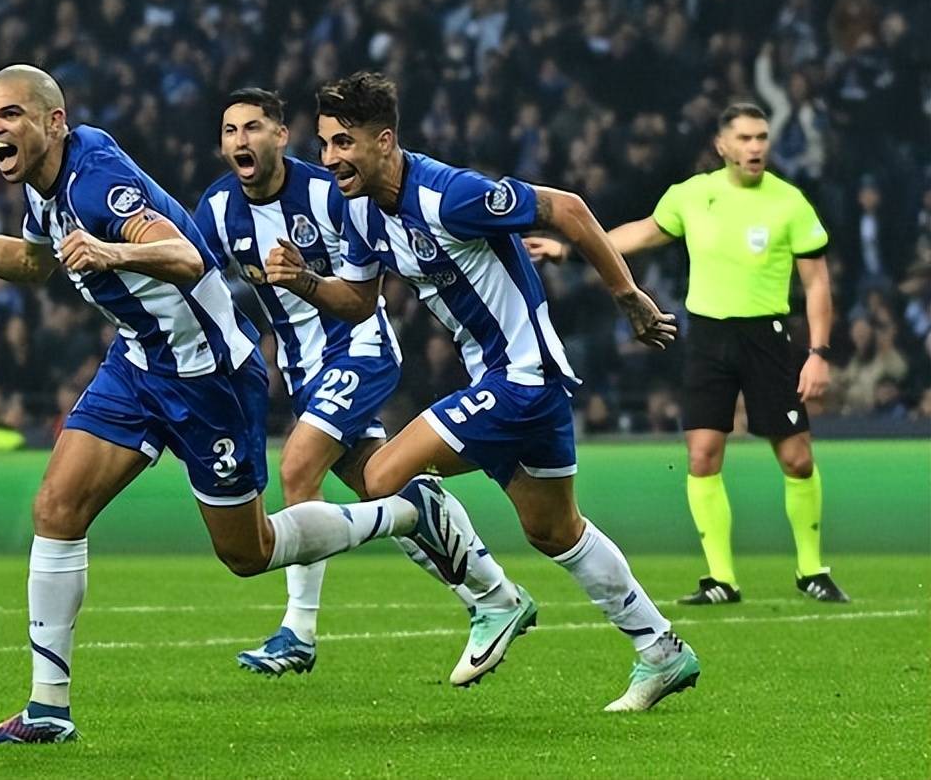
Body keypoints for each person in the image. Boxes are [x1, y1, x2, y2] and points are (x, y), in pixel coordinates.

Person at [0, 65, 475, 745]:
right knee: (57, 509)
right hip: (138, 363)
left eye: (9, 115)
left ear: (54, 121)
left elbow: (186, 257)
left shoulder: (97, 180)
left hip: (208, 376)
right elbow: (34, 263)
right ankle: (47, 708)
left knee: (248, 552)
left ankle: (405, 512)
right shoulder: (46, 188)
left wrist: (109, 251)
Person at [265, 71, 698, 712]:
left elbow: (569, 210)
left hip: (521, 378)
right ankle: (661, 650)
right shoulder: (358, 210)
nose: (329, 159)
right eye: (325, 144)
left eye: (343, 143)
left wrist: (628, 294)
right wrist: (304, 281)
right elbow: (357, 302)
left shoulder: (451, 195)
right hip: (508, 383)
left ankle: (492, 599)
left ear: (384, 140)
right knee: (554, 531)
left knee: (382, 476)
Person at [195, 88, 530, 684]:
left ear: (280, 136)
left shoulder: (329, 193)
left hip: (358, 347)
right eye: (229, 131)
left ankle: (298, 631)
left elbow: (372, 272)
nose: (240, 140)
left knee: (298, 467)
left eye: (253, 127)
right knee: (385, 487)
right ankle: (494, 593)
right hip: (301, 370)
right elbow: (194, 280)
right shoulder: (218, 210)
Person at [527, 103, 849, 605]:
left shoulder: (789, 203)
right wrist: (571, 250)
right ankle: (721, 579)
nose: (755, 147)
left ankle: (811, 570)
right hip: (709, 338)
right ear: (722, 145)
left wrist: (819, 352)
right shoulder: (693, 195)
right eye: (744, 138)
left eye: (761, 137)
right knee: (702, 457)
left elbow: (818, 285)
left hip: (767, 337)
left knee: (797, 458)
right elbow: (641, 233)